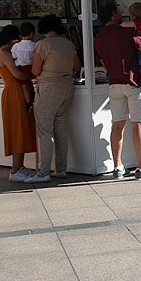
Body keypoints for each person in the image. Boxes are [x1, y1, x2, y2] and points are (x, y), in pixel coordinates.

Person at [94, 3, 141, 179]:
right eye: (119, 11)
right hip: (133, 82)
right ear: (113, 14)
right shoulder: (127, 32)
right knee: (138, 123)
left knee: (117, 125)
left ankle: (117, 167)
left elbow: (103, 62)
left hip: (114, 83)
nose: (122, 14)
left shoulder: (99, 37)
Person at [24, 15, 81, 184]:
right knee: (61, 128)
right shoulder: (69, 44)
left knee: (44, 130)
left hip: (48, 88)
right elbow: (77, 67)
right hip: (67, 86)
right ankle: (61, 169)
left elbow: (35, 70)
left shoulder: (42, 45)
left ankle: (43, 173)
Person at [0, 25, 38, 182]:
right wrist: (33, 76)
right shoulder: (5, 53)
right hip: (14, 93)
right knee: (18, 129)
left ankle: (19, 167)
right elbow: (17, 73)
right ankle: (15, 170)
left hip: (14, 92)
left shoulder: (5, 52)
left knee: (21, 128)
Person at [11, 22, 37, 111]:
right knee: (31, 83)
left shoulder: (16, 46)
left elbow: (13, 57)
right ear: (32, 34)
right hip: (32, 68)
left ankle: (29, 102)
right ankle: (33, 97)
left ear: (20, 35)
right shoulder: (35, 45)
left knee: (24, 85)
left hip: (21, 69)